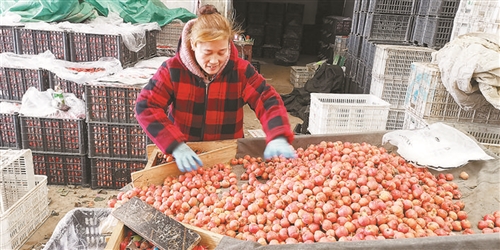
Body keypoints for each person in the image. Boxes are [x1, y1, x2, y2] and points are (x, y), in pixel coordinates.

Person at [135, 5, 295, 172]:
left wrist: (278, 135)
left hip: (228, 156)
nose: (214, 60)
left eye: (221, 52)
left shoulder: (240, 71)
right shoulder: (172, 70)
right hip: (187, 156)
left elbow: (267, 99)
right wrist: (174, 144)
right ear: (193, 44)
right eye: (208, 52)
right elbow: (146, 105)